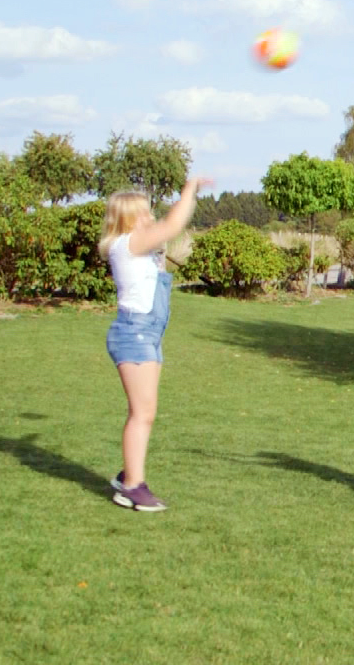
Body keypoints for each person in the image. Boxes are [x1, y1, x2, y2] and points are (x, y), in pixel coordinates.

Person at [98, 177, 209, 512]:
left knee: (144, 412)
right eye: (144, 214)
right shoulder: (129, 243)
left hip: (146, 334)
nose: (150, 219)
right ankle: (132, 486)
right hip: (135, 335)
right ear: (129, 219)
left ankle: (129, 474)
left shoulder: (134, 248)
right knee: (143, 413)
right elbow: (173, 224)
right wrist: (190, 189)